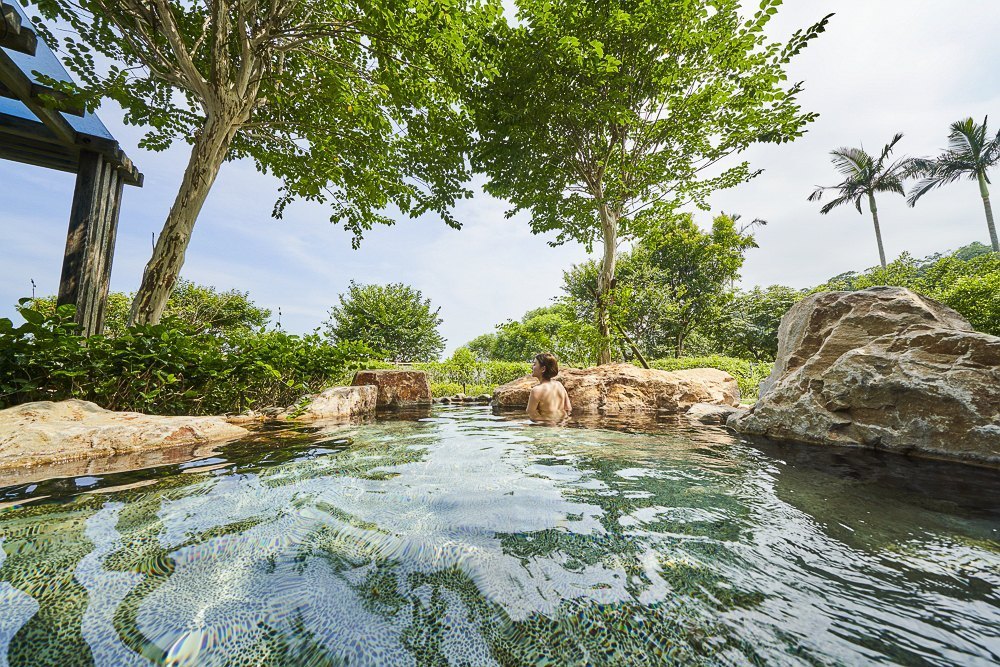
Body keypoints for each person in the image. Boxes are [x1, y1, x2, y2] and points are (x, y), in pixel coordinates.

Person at [526, 352, 572, 422]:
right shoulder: (559, 385)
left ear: (543, 369)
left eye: (535, 364)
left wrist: (548, 423)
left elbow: (531, 413)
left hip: (546, 428)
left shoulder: (536, 390)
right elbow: (568, 408)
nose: (532, 366)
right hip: (561, 426)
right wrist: (562, 422)